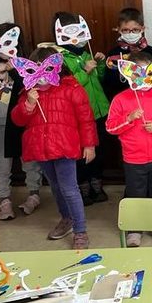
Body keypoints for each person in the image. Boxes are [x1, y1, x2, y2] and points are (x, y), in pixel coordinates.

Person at [10, 47, 98, 249]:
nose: (41, 77)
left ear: (58, 68)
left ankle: (80, 231)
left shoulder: (72, 88)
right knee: (56, 187)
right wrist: (29, 104)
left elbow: (86, 119)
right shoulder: (27, 93)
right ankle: (66, 218)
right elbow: (18, 119)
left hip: (65, 146)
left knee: (69, 188)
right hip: (41, 147)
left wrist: (90, 145)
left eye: (47, 69)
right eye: (35, 71)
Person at [106, 51, 152, 246]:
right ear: (128, 73)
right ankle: (134, 229)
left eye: (148, 71)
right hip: (133, 158)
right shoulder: (121, 99)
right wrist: (128, 119)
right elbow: (111, 127)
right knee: (135, 193)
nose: (143, 76)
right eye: (137, 72)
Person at [0, 23, 42, 220]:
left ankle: (34, 194)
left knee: (30, 161)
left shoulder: (26, 64)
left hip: (23, 122)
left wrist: (18, 70)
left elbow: (33, 88)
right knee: (1, 164)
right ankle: (4, 199)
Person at [52, 11, 110, 205]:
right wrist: (85, 70)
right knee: (82, 154)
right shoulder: (61, 59)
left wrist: (99, 64)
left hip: (99, 112)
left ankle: (96, 185)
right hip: (79, 116)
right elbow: (68, 85)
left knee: (99, 152)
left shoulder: (87, 53)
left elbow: (98, 79)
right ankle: (83, 188)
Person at [103, 7, 152, 99]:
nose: (131, 33)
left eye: (135, 30)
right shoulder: (113, 53)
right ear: (119, 30)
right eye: (126, 30)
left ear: (142, 29)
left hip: (147, 98)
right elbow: (109, 83)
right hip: (123, 100)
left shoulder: (151, 52)